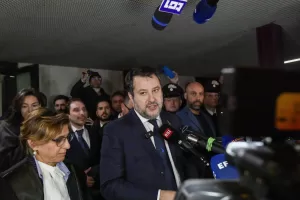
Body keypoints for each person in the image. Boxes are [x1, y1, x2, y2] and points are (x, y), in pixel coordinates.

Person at [100, 67, 195, 200]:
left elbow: (185, 162)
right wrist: (158, 196)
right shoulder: (115, 130)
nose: (152, 99)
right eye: (143, 93)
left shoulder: (173, 120)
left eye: (156, 90)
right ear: (131, 98)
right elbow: (110, 186)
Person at [1, 108, 91, 200]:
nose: (68, 146)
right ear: (33, 144)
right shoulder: (12, 182)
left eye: (67, 137)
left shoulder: (76, 172)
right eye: (59, 140)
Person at [0, 88, 43, 172]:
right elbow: (4, 162)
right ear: (18, 108)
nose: (30, 110)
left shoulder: (45, 124)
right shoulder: (7, 127)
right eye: (24, 106)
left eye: (34, 105)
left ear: (40, 106)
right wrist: (27, 135)